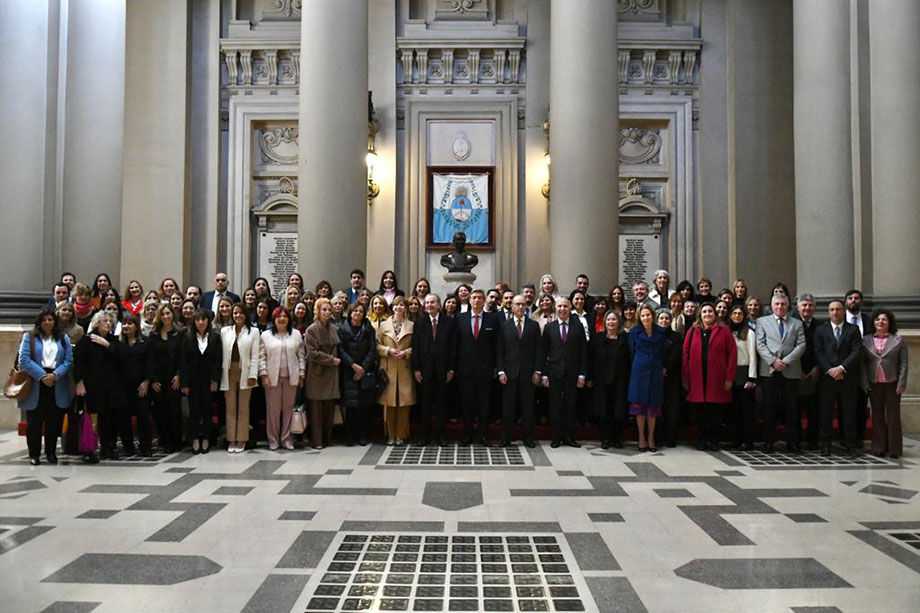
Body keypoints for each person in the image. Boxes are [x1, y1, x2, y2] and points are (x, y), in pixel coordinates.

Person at [18, 308, 73, 465]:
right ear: (39, 323)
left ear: (55, 322)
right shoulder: (29, 337)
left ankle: (50, 452)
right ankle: (34, 454)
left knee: (54, 421)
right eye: (44, 320)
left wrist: (55, 375)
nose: (47, 322)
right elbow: (24, 359)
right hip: (36, 382)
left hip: (57, 381)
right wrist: (42, 376)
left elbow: (68, 361)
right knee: (34, 422)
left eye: (50, 319)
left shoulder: (63, 338)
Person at [682, 303, 737, 451]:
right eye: (704, 312)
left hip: (717, 378)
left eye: (710, 311)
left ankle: (714, 440)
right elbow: (685, 355)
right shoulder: (692, 331)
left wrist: (729, 378)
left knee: (715, 413)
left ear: (715, 313)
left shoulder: (724, 331)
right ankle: (701, 440)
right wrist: (686, 378)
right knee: (700, 413)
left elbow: (732, 355)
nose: (707, 314)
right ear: (700, 314)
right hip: (697, 378)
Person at [755, 294, 806, 453]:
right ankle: (768, 441)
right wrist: (773, 361)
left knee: (791, 408)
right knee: (769, 407)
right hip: (769, 370)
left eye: (783, 304)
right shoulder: (762, 322)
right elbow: (760, 344)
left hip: (790, 370)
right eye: (776, 304)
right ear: (772, 305)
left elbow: (801, 345)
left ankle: (792, 442)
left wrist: (786, 361)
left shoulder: (796, 323)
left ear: (788, 305)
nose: (780, 307)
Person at [813, 300, 862, 456]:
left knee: (849, 412)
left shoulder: (853, 330)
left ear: (843, 311)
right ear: (829, 312)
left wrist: (841, 368)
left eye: (838, 309)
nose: (835, 312)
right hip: (827, 378)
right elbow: (818, 351)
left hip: (847, 377)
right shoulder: (821, 330)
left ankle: (850, 444)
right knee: (825, 412)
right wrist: (829, 369)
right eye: (832, 310)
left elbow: (856, 351)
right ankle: (825, 444)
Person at [74, 312, 125, 460]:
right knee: (92, 418)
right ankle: (88, 449)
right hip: (92, 386)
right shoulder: (86, 340)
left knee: (109, 419)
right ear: (97, 323)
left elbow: (122, 357)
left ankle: (107, 447)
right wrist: (80, 382)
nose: (108, 323)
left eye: (110, 321)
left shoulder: (113, 341)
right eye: (104, 320)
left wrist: (106, 344)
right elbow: (78, 362)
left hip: (110, 387)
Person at [539, 296, 587, 448]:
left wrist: (582, 374)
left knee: (570, 405)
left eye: (565, 306)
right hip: (554, 372)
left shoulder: (577, 326)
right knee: (555, 406)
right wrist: (544, 374)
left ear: (570, 308)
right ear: (556, 308)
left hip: (572, 373)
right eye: (559, 306)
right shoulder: (549, 327)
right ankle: (556, 437)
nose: (562, 309)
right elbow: (543, 352)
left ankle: (569, 437)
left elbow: (584, 352)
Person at [455, 289, 500, 446]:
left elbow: (497, 346)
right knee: (466, 403)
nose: (476, 300)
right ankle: (467, 434)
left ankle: (483, 435)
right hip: (465, 370)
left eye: (480, 298)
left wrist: (496, 367)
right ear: (469, 300)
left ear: (484, 300)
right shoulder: (460, 318)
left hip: (486, 370)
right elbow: (455, 345)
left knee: (484, 404)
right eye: (474, 297)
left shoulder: (493, 319)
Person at [862, 309, 908, 459]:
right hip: (874, 382)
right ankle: (878, 447)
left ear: (889, 323)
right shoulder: (866, 340)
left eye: (884, 320)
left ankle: (894, 449)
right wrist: (864, 382)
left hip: (892, 383)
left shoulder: (898, 340)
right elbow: (862, 364)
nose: (880, 322)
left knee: (893, 416)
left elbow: (904, 363)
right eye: (877, 320)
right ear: (873, 323)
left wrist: (901, 383)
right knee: (877, 415)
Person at [496, 294, 541, 448]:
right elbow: (499, 351)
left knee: (528, 407)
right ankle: (506, 438)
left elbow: (538, 351)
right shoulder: (504, 326)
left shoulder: (533, 326)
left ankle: (529, 438)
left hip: (528, 374)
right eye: (517, 304)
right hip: (509, 373)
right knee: (508, 408)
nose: (520, 307)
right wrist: (501, 371)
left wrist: (538, 371)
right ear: (512, 307)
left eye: (523, 305)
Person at [412, 294, 457, 446]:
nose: (429, 305)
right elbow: (416, 347)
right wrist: (416, 369)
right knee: (425, 405)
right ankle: (425, 436)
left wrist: (451, 369)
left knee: (441, 405)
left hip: (443, 371)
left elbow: (453, 348)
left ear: (439, 305)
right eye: (427, 303)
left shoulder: (449, 322)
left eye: (432, 302)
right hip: (424, 372)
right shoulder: (419, 322)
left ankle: (441, 436)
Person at [259, 307, 305, 450]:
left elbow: (301, 356)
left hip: (291, 378)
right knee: (273, 410)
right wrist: (264, 374)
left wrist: (301, 374)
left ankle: (286, 439)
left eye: (285, 316)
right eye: (279, 316)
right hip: (272, 378)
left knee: (288, 409)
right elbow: (262, 357)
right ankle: (273, 439)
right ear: (274, 319)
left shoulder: (296, 334)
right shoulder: (266, 335)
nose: (282, 319)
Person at [180, 309, 222, 454]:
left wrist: (215, 380)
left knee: (207, 410)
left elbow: (218, 361)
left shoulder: (215, 337)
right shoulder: (187, 337)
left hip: (209, 380)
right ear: (194, 322)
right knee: (194, 411)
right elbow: (183, 362)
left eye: (203, 319)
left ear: (208, 321)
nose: (201, 322)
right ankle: (195, 439)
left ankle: (206, 439)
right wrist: (184, 383)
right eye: (198, 320)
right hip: (192, 381)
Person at [221, 303, 260, 453]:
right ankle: (231, 438)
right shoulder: (225, 331)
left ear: (246, 315)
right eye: (235, 313)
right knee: (230, 407)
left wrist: (253, 375)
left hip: (245, 372)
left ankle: (242, 438)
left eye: (241, 313)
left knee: (244, 407)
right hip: (228, 372)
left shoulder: (254, 332)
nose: (238, 316)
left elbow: (255, 355)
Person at [588, 310, 629, 449]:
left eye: (614, 320)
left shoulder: (625, 339)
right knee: (603, 411)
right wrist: (590, 378)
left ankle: (617, 438)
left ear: (619, 322)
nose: (611, 322)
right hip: (601, 381)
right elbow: (591, 359)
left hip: (620, 381)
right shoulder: (598, 338)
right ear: (605, 322)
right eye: (608, 320)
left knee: (618, 410)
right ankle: (605, 438)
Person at [627, 304, 666, 452]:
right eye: (643, 315)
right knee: (640, 408)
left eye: (648, 315)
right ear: (639, 317)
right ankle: (641, 438)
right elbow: (631, 353)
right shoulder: (634, 332)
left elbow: (663, 351)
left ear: (652, 316)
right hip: (639, 373)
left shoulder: (660, 332)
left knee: (653, 407)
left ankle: (651, 438)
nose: (646, 318)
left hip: (655, 372)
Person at [338, 302, 377, 446]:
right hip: (349, 371)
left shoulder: (369, 329)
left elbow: (373, 349)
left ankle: (363, 435)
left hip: (365, 372)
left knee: (364, 407)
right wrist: (353, 365)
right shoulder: (342, 329)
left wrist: (363, 368)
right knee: (350, 407)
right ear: (350, 312)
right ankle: (350, 436)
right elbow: (340, 349)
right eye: (355, 311)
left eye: (361, 311)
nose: (358, 314)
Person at [377, 296, 414, 446]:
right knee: (389, 403)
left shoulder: (412, 325)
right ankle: (390, 435)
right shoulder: (384, 325)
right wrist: (387, 350)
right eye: (396, 305)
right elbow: (376, 345)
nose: (399, 308)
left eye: (402, 305)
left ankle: (401, 435)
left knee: (404, 404)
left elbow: (418, 345)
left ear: (405, 308)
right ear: (392, 307)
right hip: (388, 368)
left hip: (405, 368)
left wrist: (407, 353)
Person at [146, 305, 184, 453]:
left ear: (172, 315)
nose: (166, 316)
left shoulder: (180, 333)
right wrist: (153, 379)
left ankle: (176, 441)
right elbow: (150, 359)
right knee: (161, 410)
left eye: (168, 313)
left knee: (174, 409)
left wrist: (180, 375)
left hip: (175, 377)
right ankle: (164, 441)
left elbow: (183, 357)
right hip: (158, 378)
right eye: (163, 314)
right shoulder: (154, 335)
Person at [304, 299, 340, 448]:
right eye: (324, 310)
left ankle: (327, 439)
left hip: (331, 373)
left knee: (328, 409)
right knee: (316, 410)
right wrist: (331, 360)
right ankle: (317, 440)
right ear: (317, 312)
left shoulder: (333, 328)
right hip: (317, 372)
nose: (327, 313)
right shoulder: (311, 330)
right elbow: (313, 353)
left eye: (329, 310)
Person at [794, 293, 822, 450]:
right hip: (795, 372)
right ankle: (796, 441)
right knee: (795, 410)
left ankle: (813, 441)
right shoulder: (793, 324)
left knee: (814, 410)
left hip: (815, 373)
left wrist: (817, 367)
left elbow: (824, 350)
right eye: (804, 305)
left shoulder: (821, 326)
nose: (807, 308)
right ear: (798, 308)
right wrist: (797, 369)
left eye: (810, 305)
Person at [845, 289, 872, 446]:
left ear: (860, 301)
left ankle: (859, 438)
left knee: (861, 404)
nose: (853, 300)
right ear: (846, 301)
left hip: (864, 369)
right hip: (844, 368)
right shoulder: (841, 319)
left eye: (856, 298)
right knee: (846, 406)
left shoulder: (869, 321)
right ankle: (846, 437)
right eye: (850, 298)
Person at [729, 305, 758, 450]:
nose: (737, 316)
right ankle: (736, 439)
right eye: (734, 313)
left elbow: (753, 356)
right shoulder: (728, 332)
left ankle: (748, 441)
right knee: (735, 410)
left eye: (740, 313)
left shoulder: (749, 332)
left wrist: (751, 378)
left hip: (745, 372)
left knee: (746, 409)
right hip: (732, 372)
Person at [657, 310, 684, 448]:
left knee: (672, 408)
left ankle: (671, 437)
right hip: (656, 377)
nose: (664, 321)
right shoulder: (653, 335)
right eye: (661, 318)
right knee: (659, 408)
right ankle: (659, 437)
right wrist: (659, 368)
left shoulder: (676, 336)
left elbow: (677, 354)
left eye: (666, 318)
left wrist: (666, 368)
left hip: (672, 376)